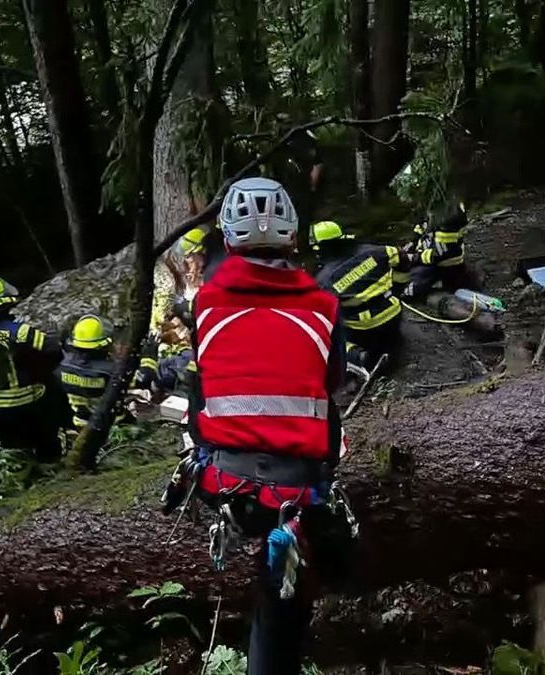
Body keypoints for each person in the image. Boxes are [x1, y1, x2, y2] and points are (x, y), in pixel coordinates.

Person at [176, 177, 350, 675]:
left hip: (224, 484)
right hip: (296, 492)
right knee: (283, 610)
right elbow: (331, 381)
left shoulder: (206, 304)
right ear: (292, 239)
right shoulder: (323, 307)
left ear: (228, 242)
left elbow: (207, 379)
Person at [0, 275, 65, 462]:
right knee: (55, 382)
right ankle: (51, 455)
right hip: (20, 408)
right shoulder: (19, 332)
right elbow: (54, 351)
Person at [310, 220, 411, 369]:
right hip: (392, 315)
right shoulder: (376, 251)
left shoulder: (324, 280)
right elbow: (401, 256)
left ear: (318, 248)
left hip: (361, 329)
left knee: (322, 332)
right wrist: (398, 287)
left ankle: (357, 356)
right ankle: (392, 344)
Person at [406, 202, 473, 300]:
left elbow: (440, 254)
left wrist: (415, 258)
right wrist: (412, 242)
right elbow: (421, 225)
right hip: (428, 254)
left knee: (410, 288)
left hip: (445, 263)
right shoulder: (430, 204)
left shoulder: (449, 217)